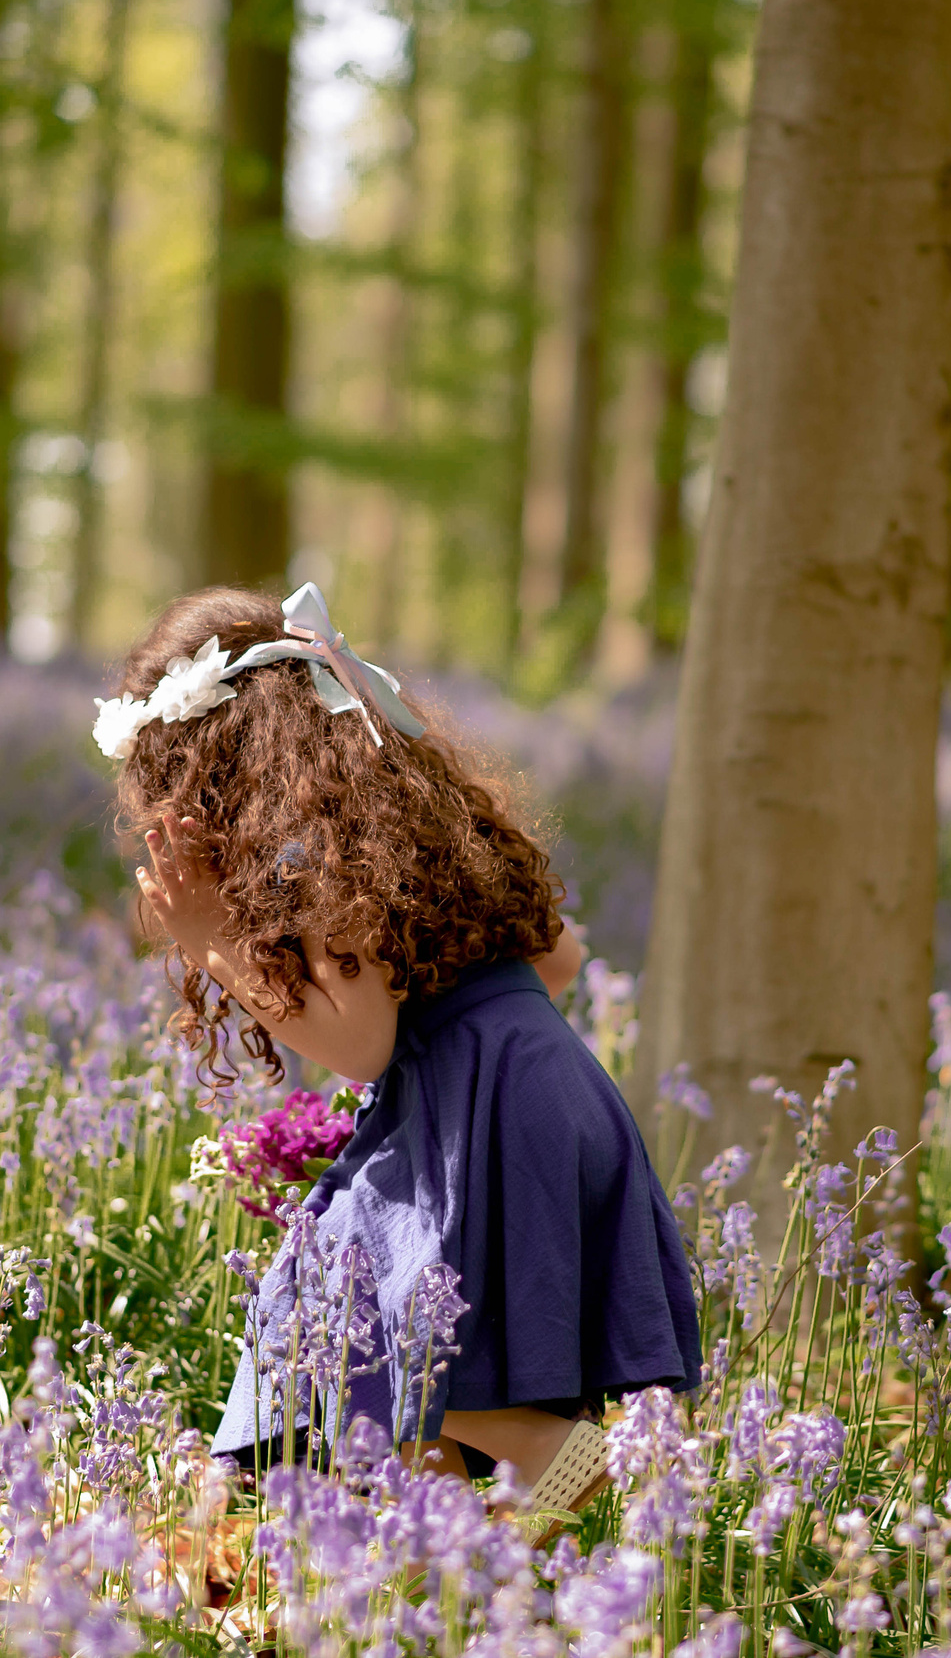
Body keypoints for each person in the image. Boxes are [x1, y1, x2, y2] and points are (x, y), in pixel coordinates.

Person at [97, 581, 701, 1522]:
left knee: (366, 1332)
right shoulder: (396, 800)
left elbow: (361, 1042)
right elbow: (562, 958)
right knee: (390, 1339)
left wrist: (210, 935)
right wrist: (472, 1029)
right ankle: (453, 1565)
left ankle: (593, 1464)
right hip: (546, 1085)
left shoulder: (302, 852)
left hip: (481, 1116)